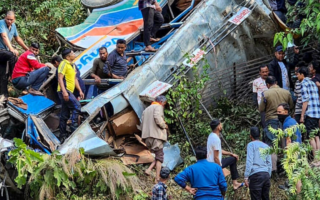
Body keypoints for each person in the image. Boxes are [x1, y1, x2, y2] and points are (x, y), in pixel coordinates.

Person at [259, 76, 293, 175]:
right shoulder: (286, 92)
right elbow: (291, 106)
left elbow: (261, 109)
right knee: (285, 144)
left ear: (267, 84)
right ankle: (287, 168)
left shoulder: (266, 94)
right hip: (284, 121)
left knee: (272, 146)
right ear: (276, 82)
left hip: (271, 121)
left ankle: (274, 170)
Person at [207, 119, 243, 190]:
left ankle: (235, 183)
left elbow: (219, 150)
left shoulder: (211, 135)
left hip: (210, 163)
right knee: (233, 160)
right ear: (218, 127)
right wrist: (220, 169)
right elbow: (216, 157)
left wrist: (230, 154)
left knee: (232, 158)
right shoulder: (216, 139)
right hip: (214, 164)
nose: (222, 125)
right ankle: (235, 183)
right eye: (220, 124)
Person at [0, 11, 29, 98]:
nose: (9, 21)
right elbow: (4, 36)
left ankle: (4, 97)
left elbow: (18, 39)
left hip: (4, 53)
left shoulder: (13, 26)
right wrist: (12, 49)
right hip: (1, 51)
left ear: (14, 19)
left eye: (11, 20)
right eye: (8, 19)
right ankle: (13, 75)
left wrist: (27, 49)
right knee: (13, 55)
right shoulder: (1, 23)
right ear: (5, 18)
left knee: (2, 76)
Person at [57, 49, 84, 141]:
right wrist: (64, 92)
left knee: (64, 114)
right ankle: (74, 126)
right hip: (64, 90)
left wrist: (80, 90)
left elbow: (75, 79)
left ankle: (62, 135)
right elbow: (60, 78)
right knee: (77, 105)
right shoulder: (63, 63)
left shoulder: (72, 65)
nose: (74, 54)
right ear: (67, 57)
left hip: (69, 91)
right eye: (72, 53)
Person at [141, 95, 168, 182]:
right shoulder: (158, 107)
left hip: (147, 137)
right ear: (161, 101)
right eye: (164, 103)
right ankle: (157, 178)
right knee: (160, 157)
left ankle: (149, 169)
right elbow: (157, 118)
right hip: (156, 136)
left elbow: (142, 123)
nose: (163, 105)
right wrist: (164, 126)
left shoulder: (146, 110)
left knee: (158, 155)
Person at [297, 67, 320, 157]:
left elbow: (305, 100)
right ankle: (319, 158)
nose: (297, 76)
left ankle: (316, 159)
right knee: (317, 136)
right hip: (317, 113)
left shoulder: (304, 84)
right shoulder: (313, 83)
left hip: (310, 113)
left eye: (298, 74)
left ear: (302, 74)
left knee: (311, 137)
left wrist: (302, 115)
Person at [244, 127, 272, 200]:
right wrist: (268, 175)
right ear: (260, 135)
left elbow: (249, 161)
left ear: (250, 136)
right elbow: (269, 163)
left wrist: (246, 176)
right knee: (266, 197)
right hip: (265, 175)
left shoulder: (251, 145)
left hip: (255, 176)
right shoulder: (266, 146)